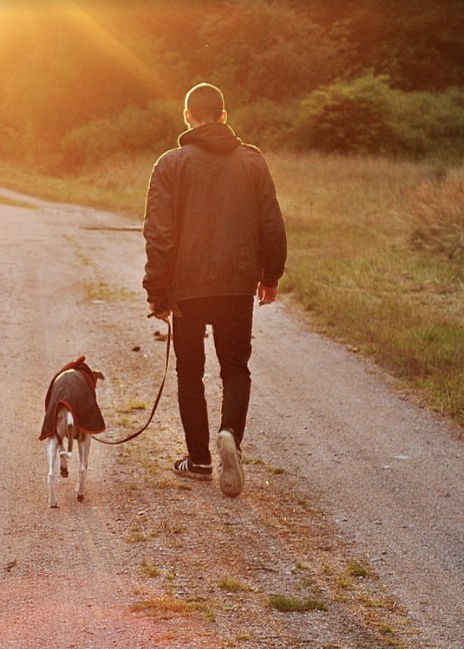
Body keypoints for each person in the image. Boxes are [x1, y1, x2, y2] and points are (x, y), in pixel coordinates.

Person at [142, 83, 287, 497]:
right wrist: (270, 277)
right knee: (235, 369)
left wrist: (157, 289)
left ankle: (200, 460)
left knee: (190, 373)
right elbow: (271, 225)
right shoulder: (252, 162)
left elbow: (159, 234)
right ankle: (229, 437)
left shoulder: (170, 164)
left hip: (185, 290)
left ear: (187, 116)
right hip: (237, 285)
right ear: (224, 116)